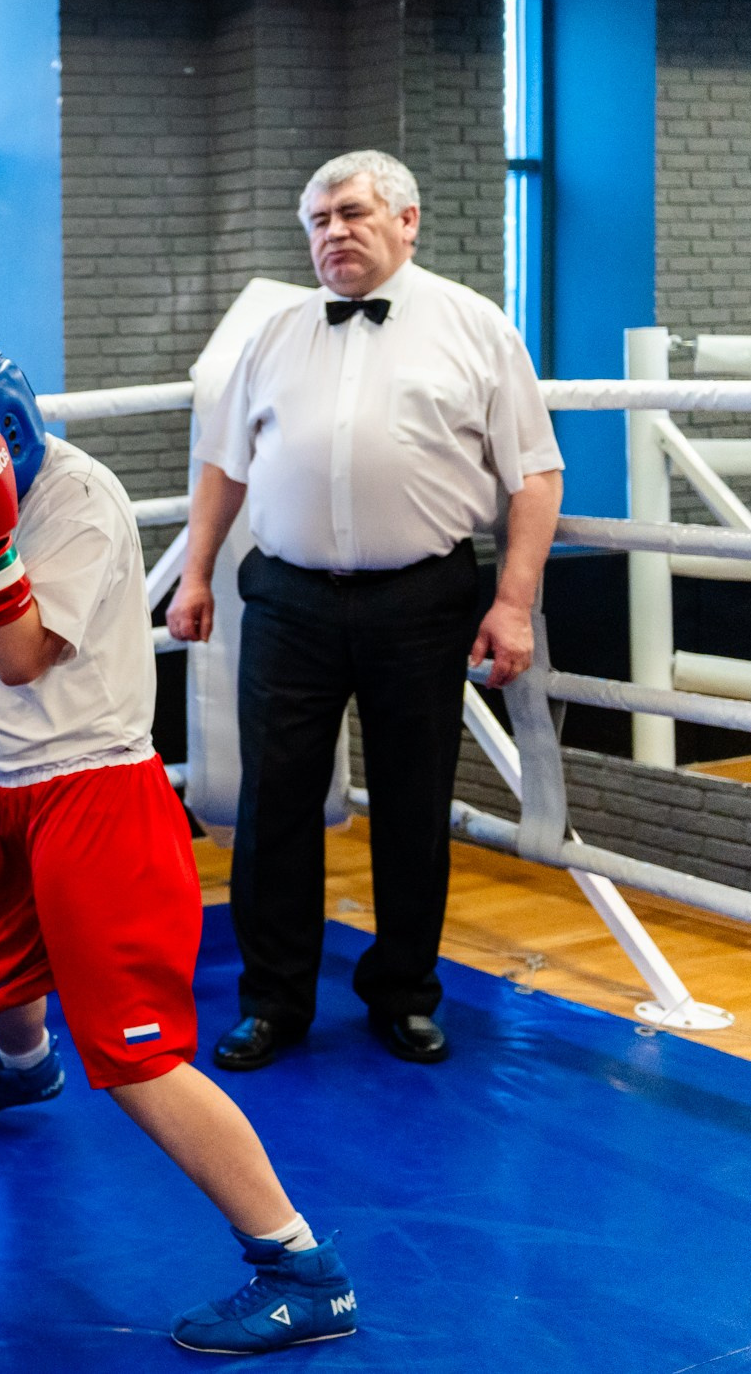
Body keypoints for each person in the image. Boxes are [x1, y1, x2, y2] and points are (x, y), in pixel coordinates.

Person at [0, 338, 361, 1355]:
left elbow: (17, 658)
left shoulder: (78, 499)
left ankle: (299, 1266)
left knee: (140, 1057)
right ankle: (22, 1071)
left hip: (95, 794)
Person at [167, 150, 564, 1071]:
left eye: (351, 213)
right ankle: (272, 1001)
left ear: (407, 218)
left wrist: (513, 604)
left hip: (421, 596)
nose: (333, 232)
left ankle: (405, 995)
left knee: (416, 803)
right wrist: (195, 578)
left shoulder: (476, 325)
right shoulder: (272, 334)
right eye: (318, 220)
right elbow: (222, 466)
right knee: (272, 806)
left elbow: (535, 474)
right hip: (287, 594)